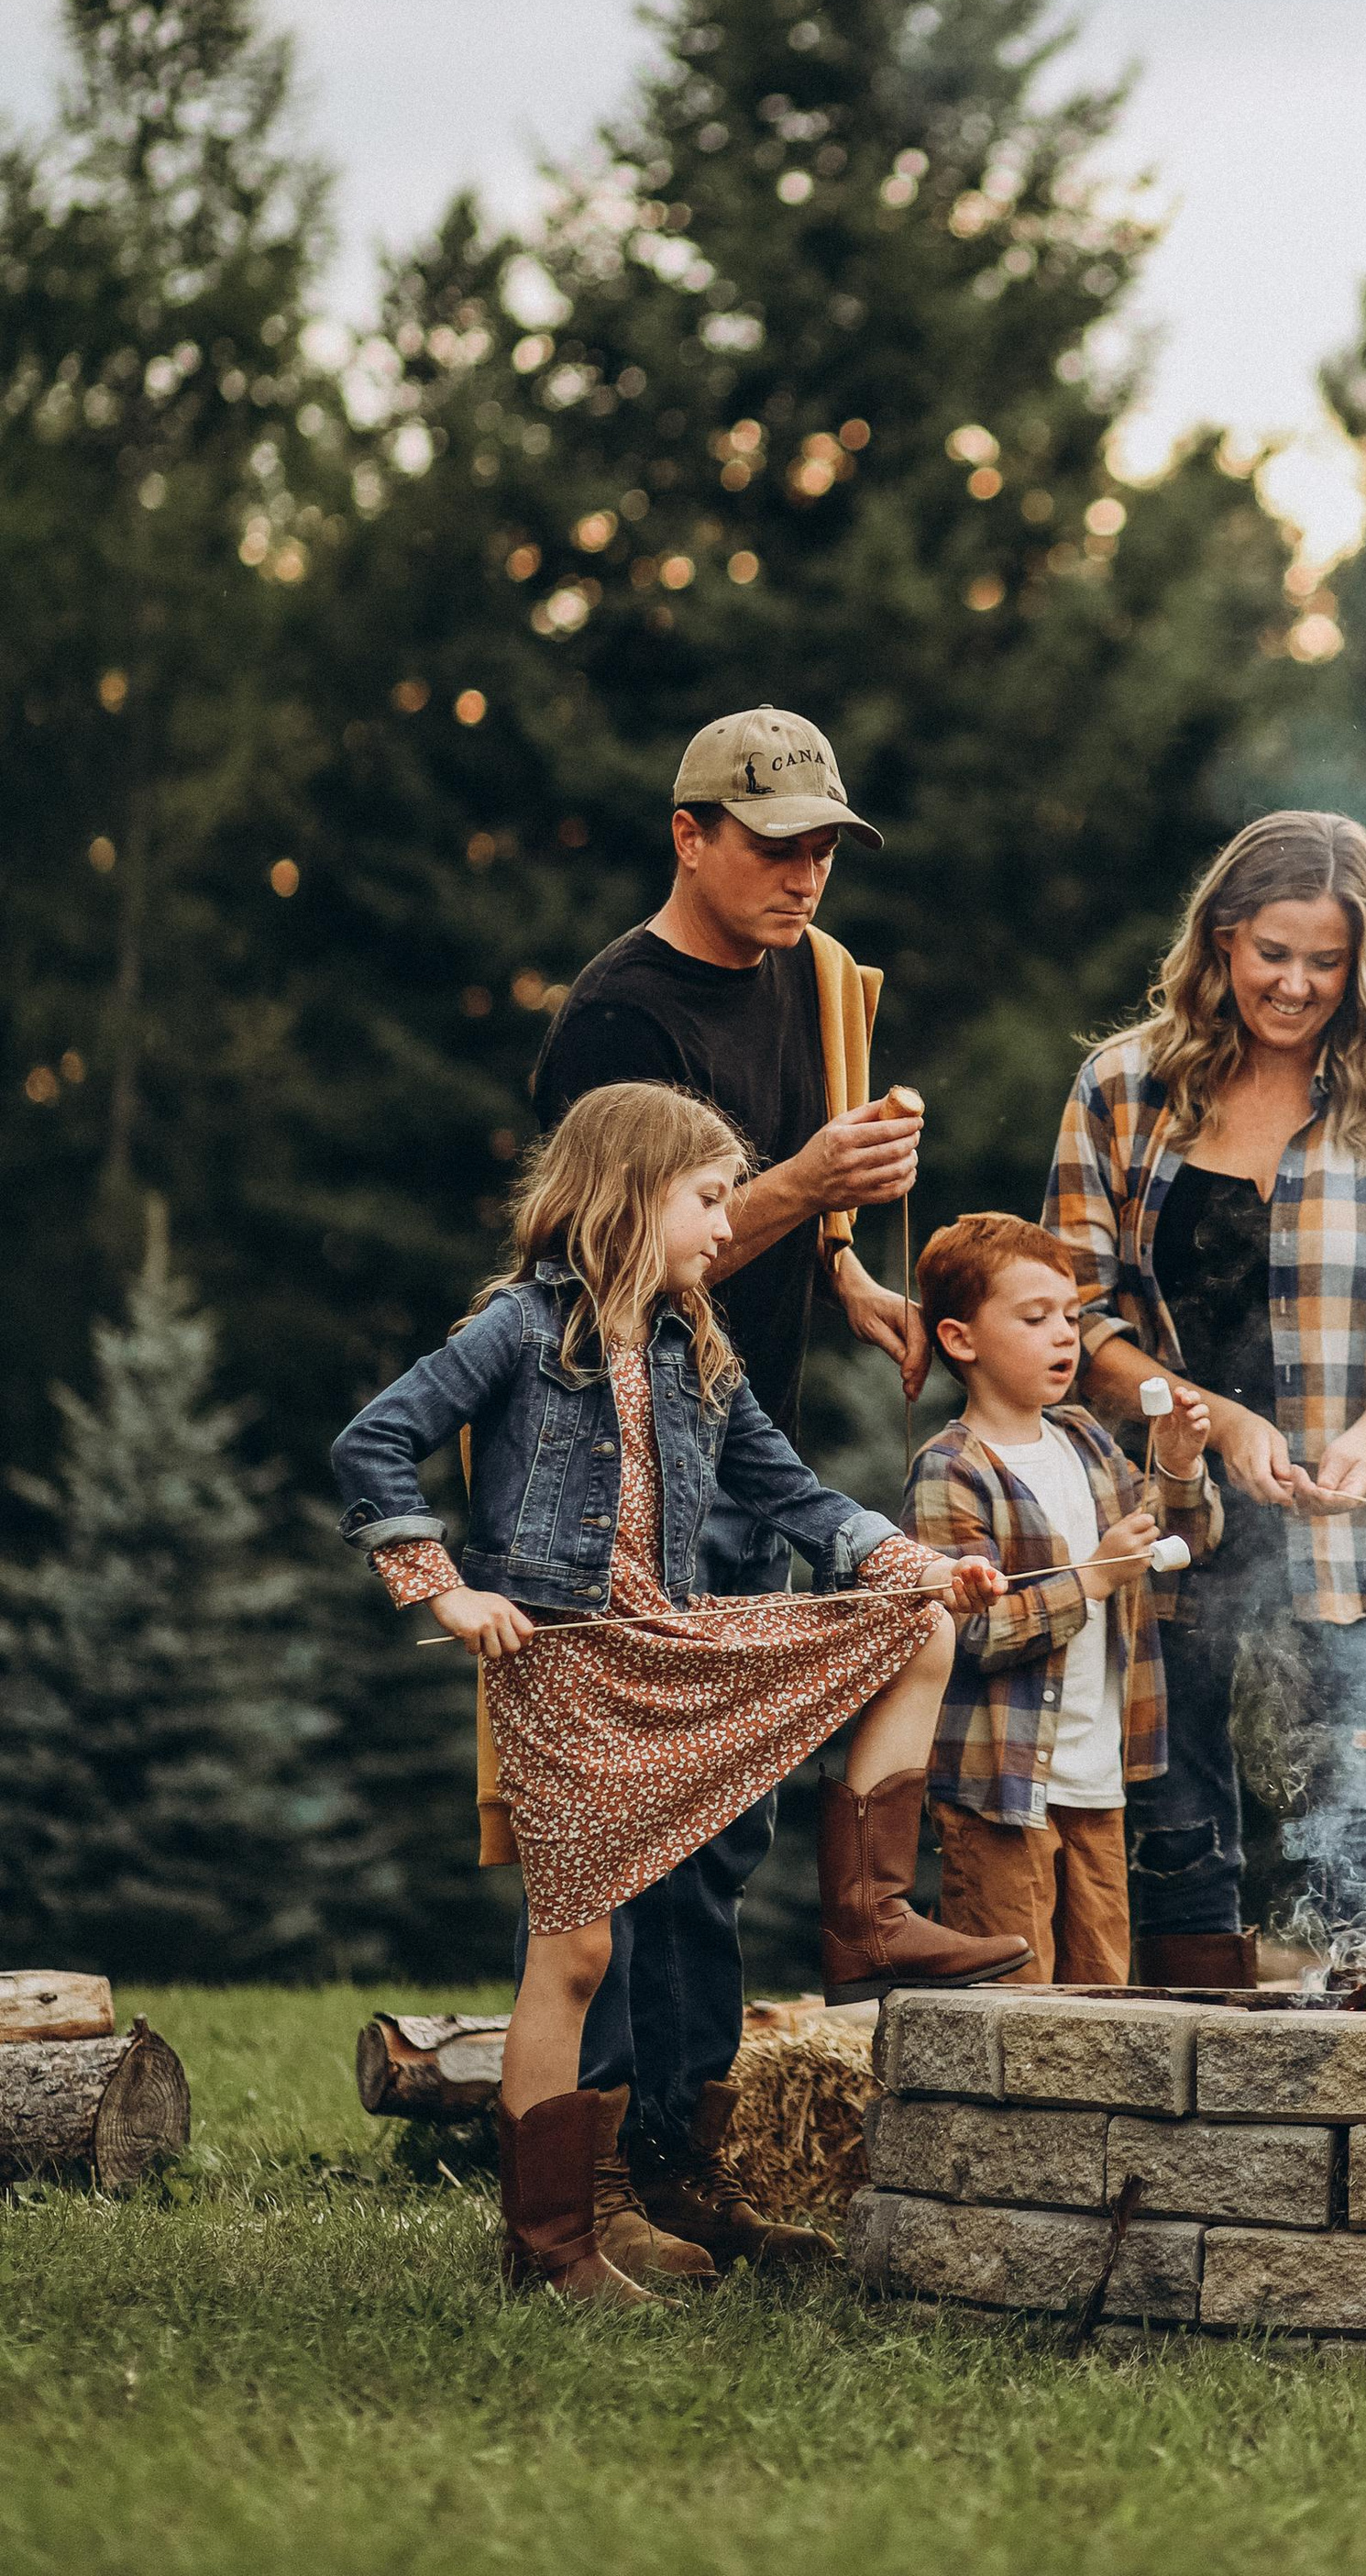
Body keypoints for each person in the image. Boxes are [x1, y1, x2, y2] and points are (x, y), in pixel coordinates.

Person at [332, 1083, 1027, 2306]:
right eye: (708, 1197)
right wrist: (442, 1590)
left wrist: (916, 1559)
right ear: (631, 1192)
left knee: (916, 1621)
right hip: (565, 1666)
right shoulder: (519, 1330)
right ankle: (551, 2246)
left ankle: (864, 1913)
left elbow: (793, 1494)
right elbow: (371, 1445)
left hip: (671, 1644)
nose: (727, 1224)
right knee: (580, 1949)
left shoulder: (693, 1345)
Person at [508, 703, 930, 2280]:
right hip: (619, 1468)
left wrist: (853, 1270)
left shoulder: (818, 986)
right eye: (773, 846)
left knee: (722, 1828)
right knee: (626, 1828)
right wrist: (807, 1183)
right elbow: (598, 1270)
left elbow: (771, 1223)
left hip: (740, 1439)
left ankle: (685, 2162)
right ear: (688, 835)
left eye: (826, 846)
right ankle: (591, 2183)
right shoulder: (618, 1020)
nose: (805, 876)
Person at [1046, 810, 1366, 1986]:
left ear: (1360, 962)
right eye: (1271, 954)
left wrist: (1358, 1442)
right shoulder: (1121, 1089)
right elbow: (1073, 1320)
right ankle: (1195, 2132)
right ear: (1221, 942)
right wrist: (1213, 1420)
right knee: (1175, 1840)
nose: (1295, 985)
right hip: (1168, 1522)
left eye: (1325, 961)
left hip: (1358, 1534)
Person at [903, 1214, 1221, 1986]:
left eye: (1071, 1318)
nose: (1064, 1337)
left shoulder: (1085, 1438)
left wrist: (1178, 1467)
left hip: (1096, 1782)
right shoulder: (951, 1470)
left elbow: (1181, 1542)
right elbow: (967, 1635)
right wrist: (1094, 1578)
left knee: (1102, 2001)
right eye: (1034, 1318)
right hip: (1000, 1790)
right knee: (1010, 2005)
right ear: (960, 1339)